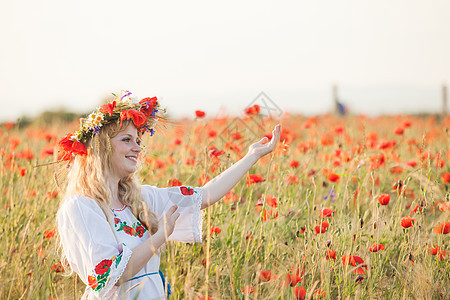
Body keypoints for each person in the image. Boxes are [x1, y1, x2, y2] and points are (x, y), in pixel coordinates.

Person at [56, 90, 281, 299]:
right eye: (127, 140)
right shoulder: (81, 207)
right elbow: (111, 275)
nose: (137, 148)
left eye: (138, 141)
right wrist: (160, 235)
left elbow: (205, 195)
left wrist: (252, 156)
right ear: (101, 147)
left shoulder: (140, 200)